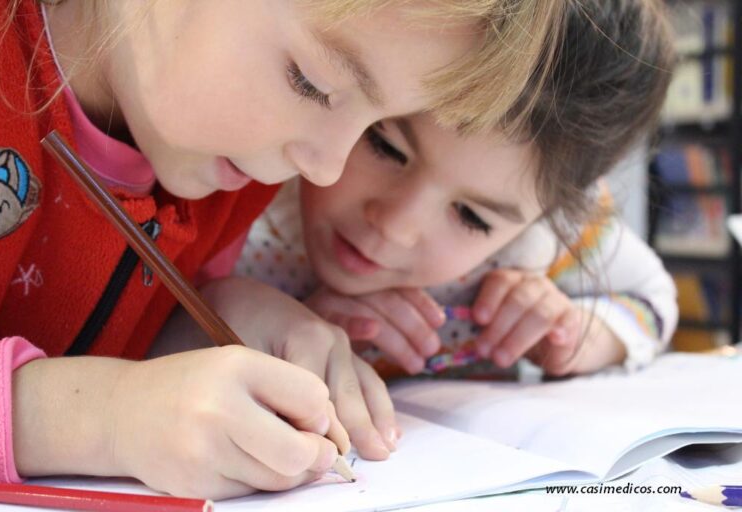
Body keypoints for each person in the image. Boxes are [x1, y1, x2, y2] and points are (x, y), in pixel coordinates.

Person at [0, 0, 565, 499]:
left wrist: (209, 321)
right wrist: (103, 418)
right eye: (314, 83)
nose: (328, 169)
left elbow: (98, 339)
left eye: (375, 124)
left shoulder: (227, 172)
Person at [234, 0, 678, 379]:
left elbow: (653, 298)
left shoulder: (546, 243)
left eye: (472, 217)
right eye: (386, 147)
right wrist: (267, 328)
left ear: (549, 216)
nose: (396, 226)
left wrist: (581, 333)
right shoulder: (245, 181)